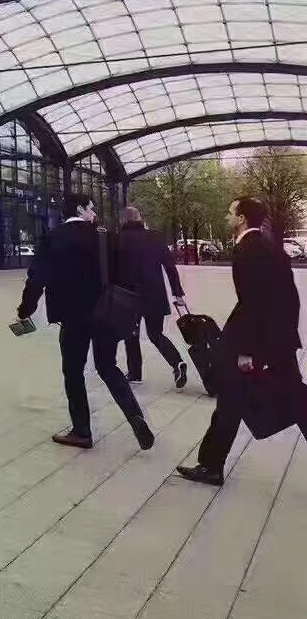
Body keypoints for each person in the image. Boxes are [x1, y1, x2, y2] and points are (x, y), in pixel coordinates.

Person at [177, 197, 307, 486]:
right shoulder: (269, 247)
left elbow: (253, 303)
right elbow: (290, 299)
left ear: (242, 218)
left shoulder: (249, 251)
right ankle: (211, 465)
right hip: (277, 340)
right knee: (283, 398)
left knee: (241, 399)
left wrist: (247, 351)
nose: (227, 217)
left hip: (258, 342)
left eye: (230, 212)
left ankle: (211, 466)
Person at [18, 193, 155, 451]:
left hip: (72, 317)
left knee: (73, 372)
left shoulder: (53, 237)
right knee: (108, 366)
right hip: (106, 313)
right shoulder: (105, 237)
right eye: (91, 208)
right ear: (79, 209)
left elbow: (36, 278)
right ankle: (135, 416)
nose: (94, 213)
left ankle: (81, 431)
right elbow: (124, 275)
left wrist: (25, 310)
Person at [116, 206, 188, 388]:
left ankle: (135, 373)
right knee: (156, 334)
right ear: (140, 218)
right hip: (154, 293)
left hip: (129, 295)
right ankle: (177, 363)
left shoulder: (118, 239)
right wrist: (177, 292)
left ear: (122, 220)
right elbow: (170, 267)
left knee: (131, 334)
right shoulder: (155, 237)